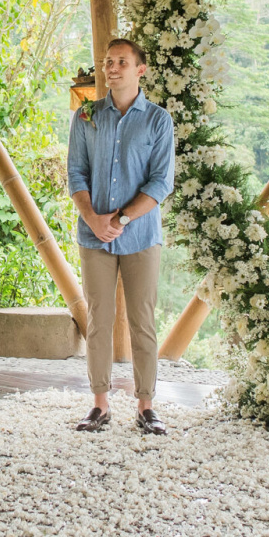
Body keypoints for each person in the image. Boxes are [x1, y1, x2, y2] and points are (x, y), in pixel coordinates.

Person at [66, 36, 176, 434]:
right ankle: (99, 404)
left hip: (142, 237)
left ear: (140, 69)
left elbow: (162, 182)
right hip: (93, 235)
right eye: (108, 62)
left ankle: (146, 405)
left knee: (142, 319)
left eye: (121, 62)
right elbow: (75, 174)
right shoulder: (85, 117)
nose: (111, 68)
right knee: (98, 319)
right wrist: (95, 219)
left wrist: (123, 219)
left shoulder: (158, 120)